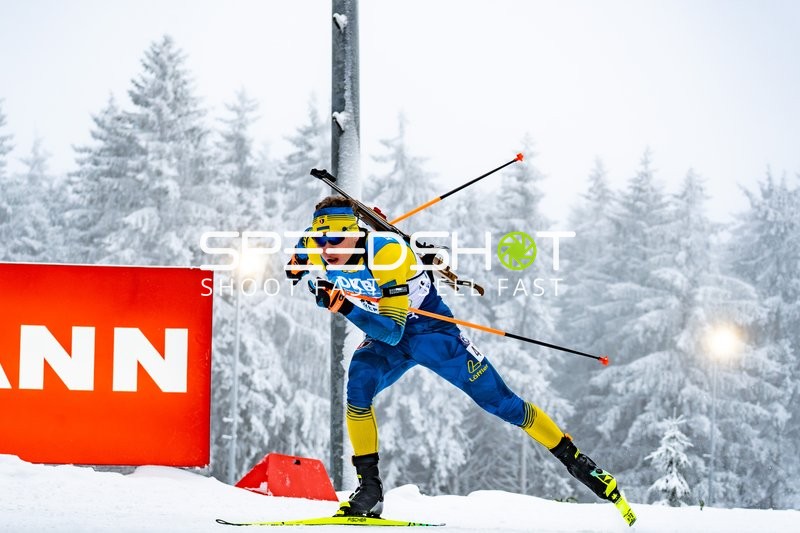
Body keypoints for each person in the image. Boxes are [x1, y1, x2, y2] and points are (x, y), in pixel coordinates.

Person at [286, 196, 632, 521]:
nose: (326, 250)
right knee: (358, 388)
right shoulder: (315, 245)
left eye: (333, 241)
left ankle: (576, 461)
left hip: (431, 333)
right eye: (319, 241)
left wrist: (342, 304)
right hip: (384, 331)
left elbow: (393, 331)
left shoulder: (386, 253)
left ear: (354, 234)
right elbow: (298, 261)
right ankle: (371, 490)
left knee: (502, 404)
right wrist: (299, 270)